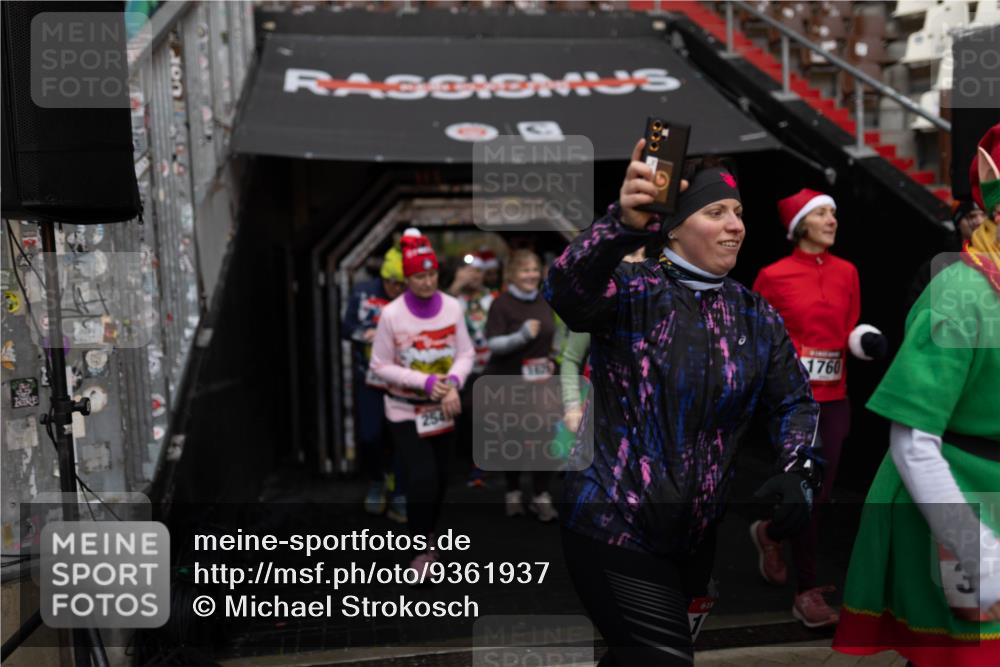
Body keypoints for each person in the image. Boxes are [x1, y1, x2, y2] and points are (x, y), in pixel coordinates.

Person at [545, 142, 821, 665]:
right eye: (716, 212)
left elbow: (795, 403)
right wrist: (621, 223)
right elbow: (566, 288)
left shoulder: (755, 314)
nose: (735, 225)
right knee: (665, 659)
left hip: (695, 536)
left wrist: (797, 468)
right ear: (672, 227)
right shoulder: (633, 291)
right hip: (613, 523)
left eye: (738, 213)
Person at [833, 123, 1000, 666]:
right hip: (954, 502)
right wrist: (974, 547)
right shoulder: (961, 291)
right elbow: (912, 441)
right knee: (962, 658)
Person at [750, 188, 888, 627]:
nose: (832, 220)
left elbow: (850, 328)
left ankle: (769, 532)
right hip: (793, 405)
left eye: (834, 212)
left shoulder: (848, 271)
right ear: (800, 225)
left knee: (821, 495)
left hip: (837, 399)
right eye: (822, 213)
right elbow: (758, 338)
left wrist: (864, 341)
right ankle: (806, 592)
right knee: (807, 494)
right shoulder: (773, 275)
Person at [370, 228, 474, 580]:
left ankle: (426, 531)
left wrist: (452, 385)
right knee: (423, 477)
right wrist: (426, 382)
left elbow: (466, 353)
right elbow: (379, 366)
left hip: (442, 409)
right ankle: (421, 552)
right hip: (404, 410)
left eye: (431, 274)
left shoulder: (453, 308)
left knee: (442, 477)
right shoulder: (392, 315)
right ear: (407, 277)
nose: (427, 282)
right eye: (419, 276)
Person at [484, 249, 559, 522]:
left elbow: (554, 337)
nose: (531, 275)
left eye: (534, 270)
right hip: (509, 383)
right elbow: (492, 344)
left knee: (545, 441)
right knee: (513, 439)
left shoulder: (545, 300)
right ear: (512, 274)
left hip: (541, 384)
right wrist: (522, 335)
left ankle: (541, 496)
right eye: (525, 270)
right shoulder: (500, 304)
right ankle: (513, 494)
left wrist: (551, 360)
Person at [341, 246, 407, 521]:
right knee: (370, 435)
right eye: (393, 282)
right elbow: (346, 328)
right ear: (384, 277)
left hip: (404, 381)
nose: (397, 288)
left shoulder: (414, 296)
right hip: (369, 379)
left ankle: (400, 492)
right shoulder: (364, 292)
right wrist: (364, 333)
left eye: (403, 283)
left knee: (404, 437)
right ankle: (378, 480)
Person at [448, 251, 496, 488]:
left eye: (478, 271)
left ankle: (481, 467)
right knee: (457, 417)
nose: (473, 276)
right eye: (468, 271)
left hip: (488, 367)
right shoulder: (451, 300)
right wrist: (455, 286)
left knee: (483, 416)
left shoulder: (494, 299)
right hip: (457, 369)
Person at [906, 199, 986, 313]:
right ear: (958, 223)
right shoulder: (939, 263)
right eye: (971, 216)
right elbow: (917, 306)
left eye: (984, 215)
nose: (979, 221)